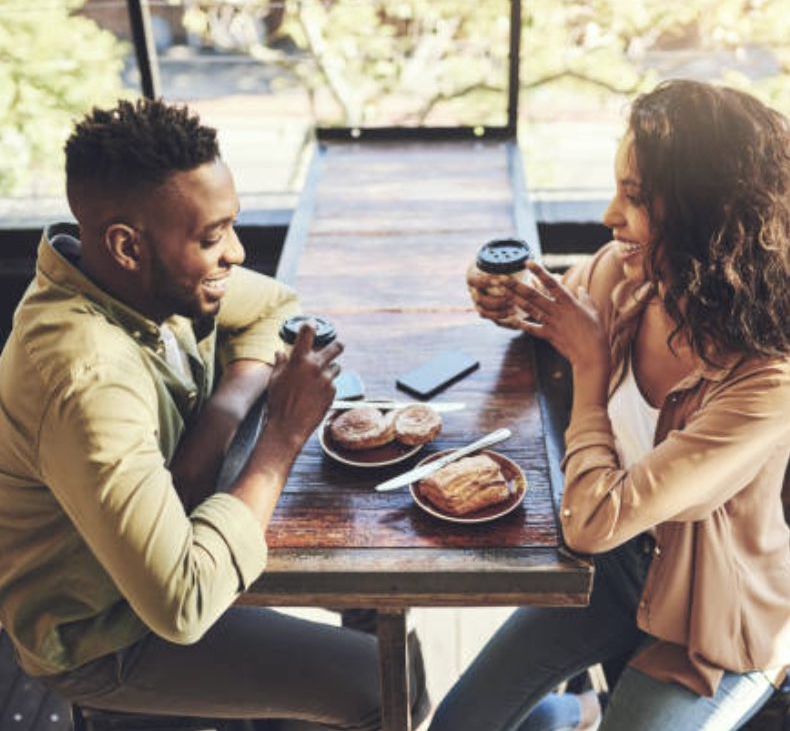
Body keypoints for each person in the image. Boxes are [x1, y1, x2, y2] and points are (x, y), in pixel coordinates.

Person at [0, 98, 428, 730]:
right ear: (126, 245)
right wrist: (281, 434)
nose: (235, 251)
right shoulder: (86, 377)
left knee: (375, 605)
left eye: (230, 225)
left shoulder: (138, 284)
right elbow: (182, 603)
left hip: (173, 549)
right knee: (391, 687)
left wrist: (219, 418)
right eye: (211, 236)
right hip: (105, 633)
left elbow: (274, 305)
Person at [429, 79, 790, 731]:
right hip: (621, 567)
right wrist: (505, 297)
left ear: (705, 221)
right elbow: (559, 313)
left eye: (635, 198)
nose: (608, 215)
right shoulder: (630, 281)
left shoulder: (768, 381)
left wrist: (591, 366)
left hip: (713, 623)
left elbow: (591, 522)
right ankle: (582, 708)